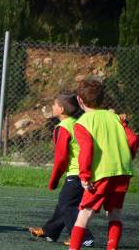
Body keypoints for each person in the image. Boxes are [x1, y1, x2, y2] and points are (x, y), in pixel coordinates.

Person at [67, 78, 137, 250]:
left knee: (84, 214)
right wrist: (128, 157)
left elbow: (87, 149)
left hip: (101, 173)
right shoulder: (115, 117)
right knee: (114, 213)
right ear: (102, 99)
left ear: (79, 100)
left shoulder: (82, 122)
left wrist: (84, 176)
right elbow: (133, 139)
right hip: (122, 171)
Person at [28, 93, 94, 247]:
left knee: (67, 205)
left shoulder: (62, 128)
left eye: (54, 105)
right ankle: (50, 231)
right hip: (85, 172)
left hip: (77, 173)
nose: (52, 107)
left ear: (61, 109)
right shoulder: (76, 123)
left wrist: (54, 179)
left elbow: (61, 158)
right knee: (64, 203)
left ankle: (83, 237)